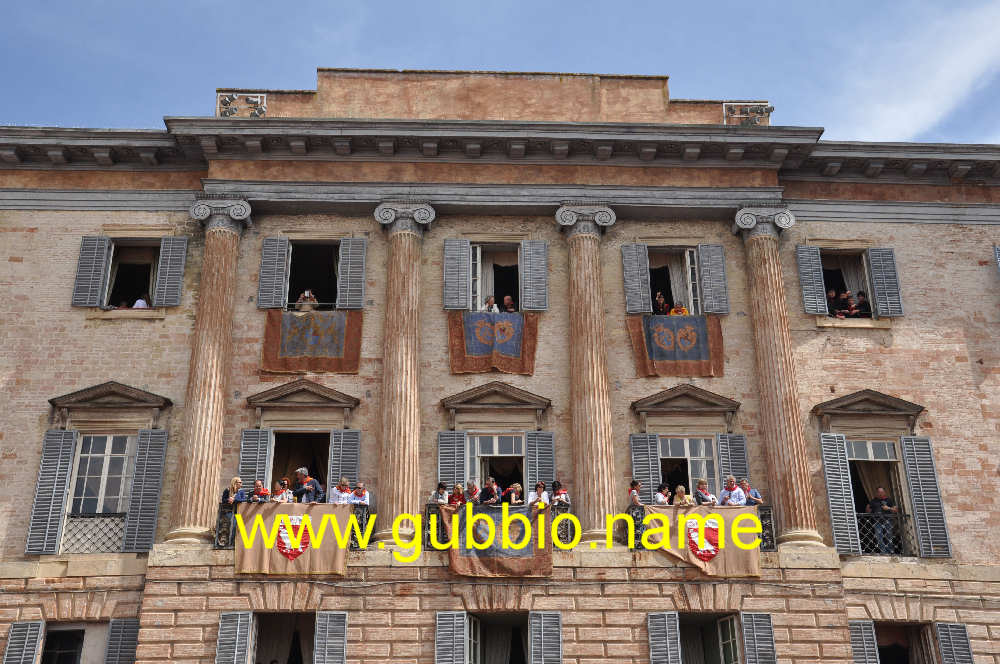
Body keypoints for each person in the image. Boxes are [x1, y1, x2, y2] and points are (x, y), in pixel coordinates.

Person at [866, 486, 899, 554]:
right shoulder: (873, 501)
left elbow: (896, 510)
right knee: (879, 537)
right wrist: (870, 510)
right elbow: (868, 510)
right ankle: (884, 552)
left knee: (889, 537)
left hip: (887, 521)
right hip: (877, 522)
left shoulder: (889, 500)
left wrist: (888, 508)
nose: (881, 493)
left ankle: (890, 552)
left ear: (884, 492)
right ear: (876, 493)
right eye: (879, 492)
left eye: (882, 492)